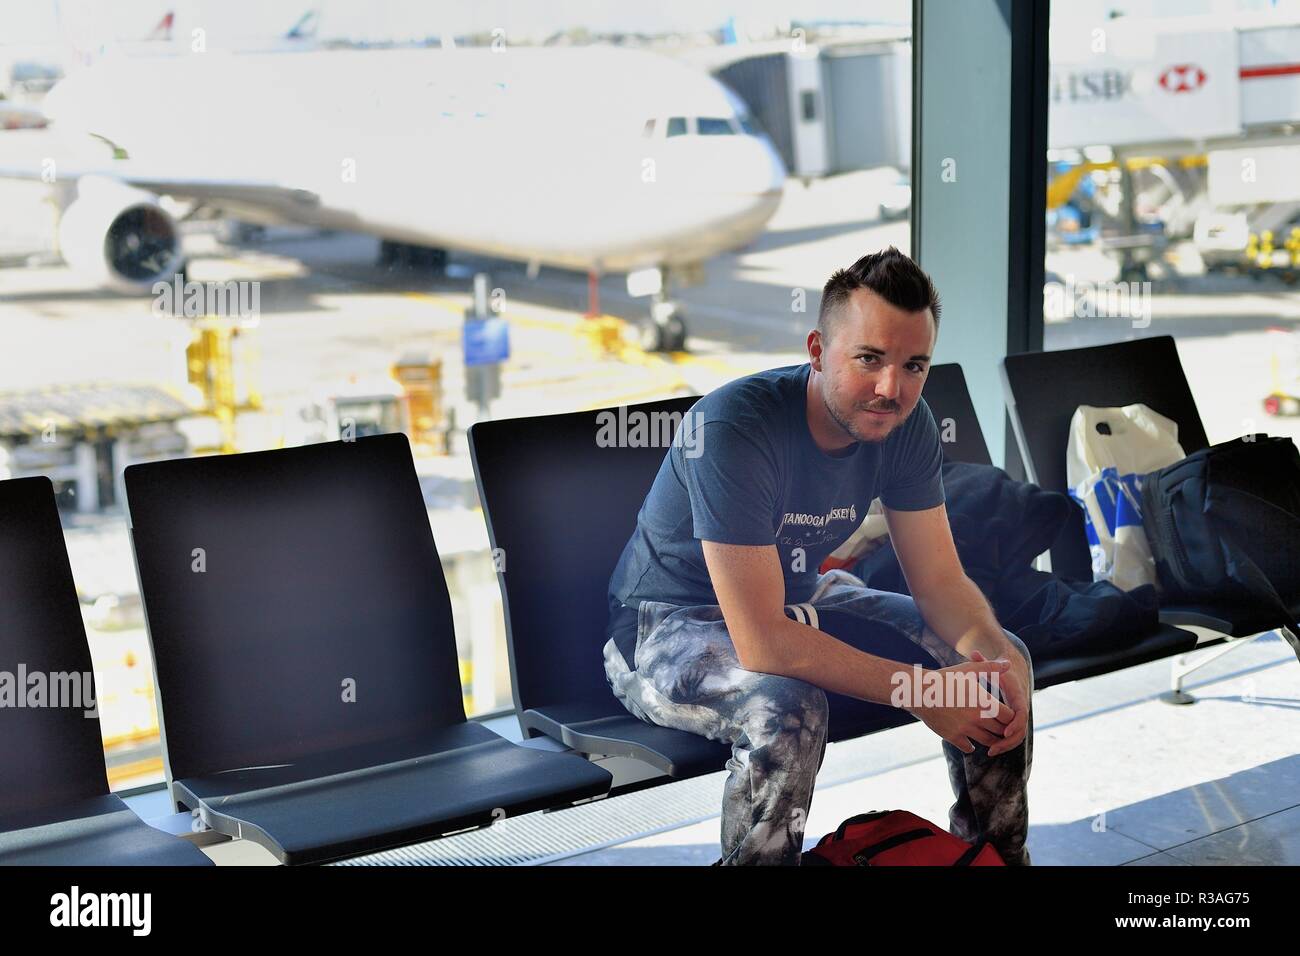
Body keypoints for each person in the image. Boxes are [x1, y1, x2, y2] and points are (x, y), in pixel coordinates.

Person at [602, 247, 1034, 866]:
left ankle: (991, 863)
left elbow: (940, 582)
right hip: (665, 624)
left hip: (799, 595)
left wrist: (993, 661)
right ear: (816, 350)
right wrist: (922, 690)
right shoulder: (735, 427)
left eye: (915, 365)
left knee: (1001, 660)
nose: (892, 389)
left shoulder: (906, 425)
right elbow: (763, 645)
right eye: (869, 359)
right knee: (787, 709)